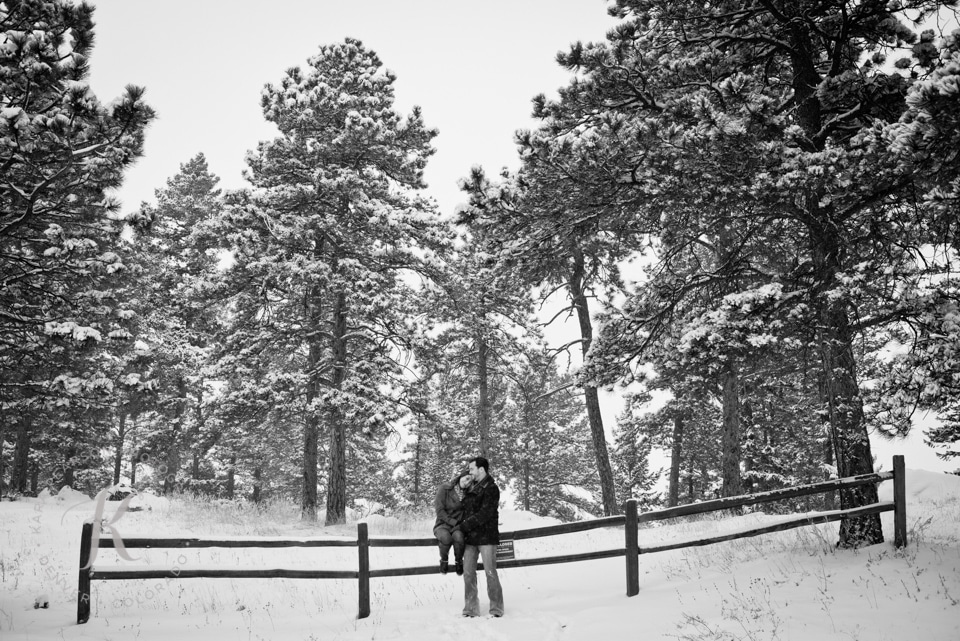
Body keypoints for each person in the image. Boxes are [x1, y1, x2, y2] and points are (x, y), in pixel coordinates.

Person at [459, 455, 504, 618]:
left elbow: (485, 513)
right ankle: (471, 608)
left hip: (487, 537)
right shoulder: (470, 488)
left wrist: (464, 526)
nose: (469, 472)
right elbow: (463, 508)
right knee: (468, 572)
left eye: (471, 469)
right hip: (471, 539)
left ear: (481, 469)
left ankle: (496, 608)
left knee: (490, 572)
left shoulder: (492, 488)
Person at [433, 470, 471, 575]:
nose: (467, 482)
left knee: (459, 537)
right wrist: (453, 522)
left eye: (471, 482)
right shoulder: (445, 488)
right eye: (467, 478)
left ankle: (459, 561)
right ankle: (444, 560)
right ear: (461, 476)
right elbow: (439, 511)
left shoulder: (469, 494)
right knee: (446, 538)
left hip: (458, 526)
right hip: (442, 524)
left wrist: (463, 524)